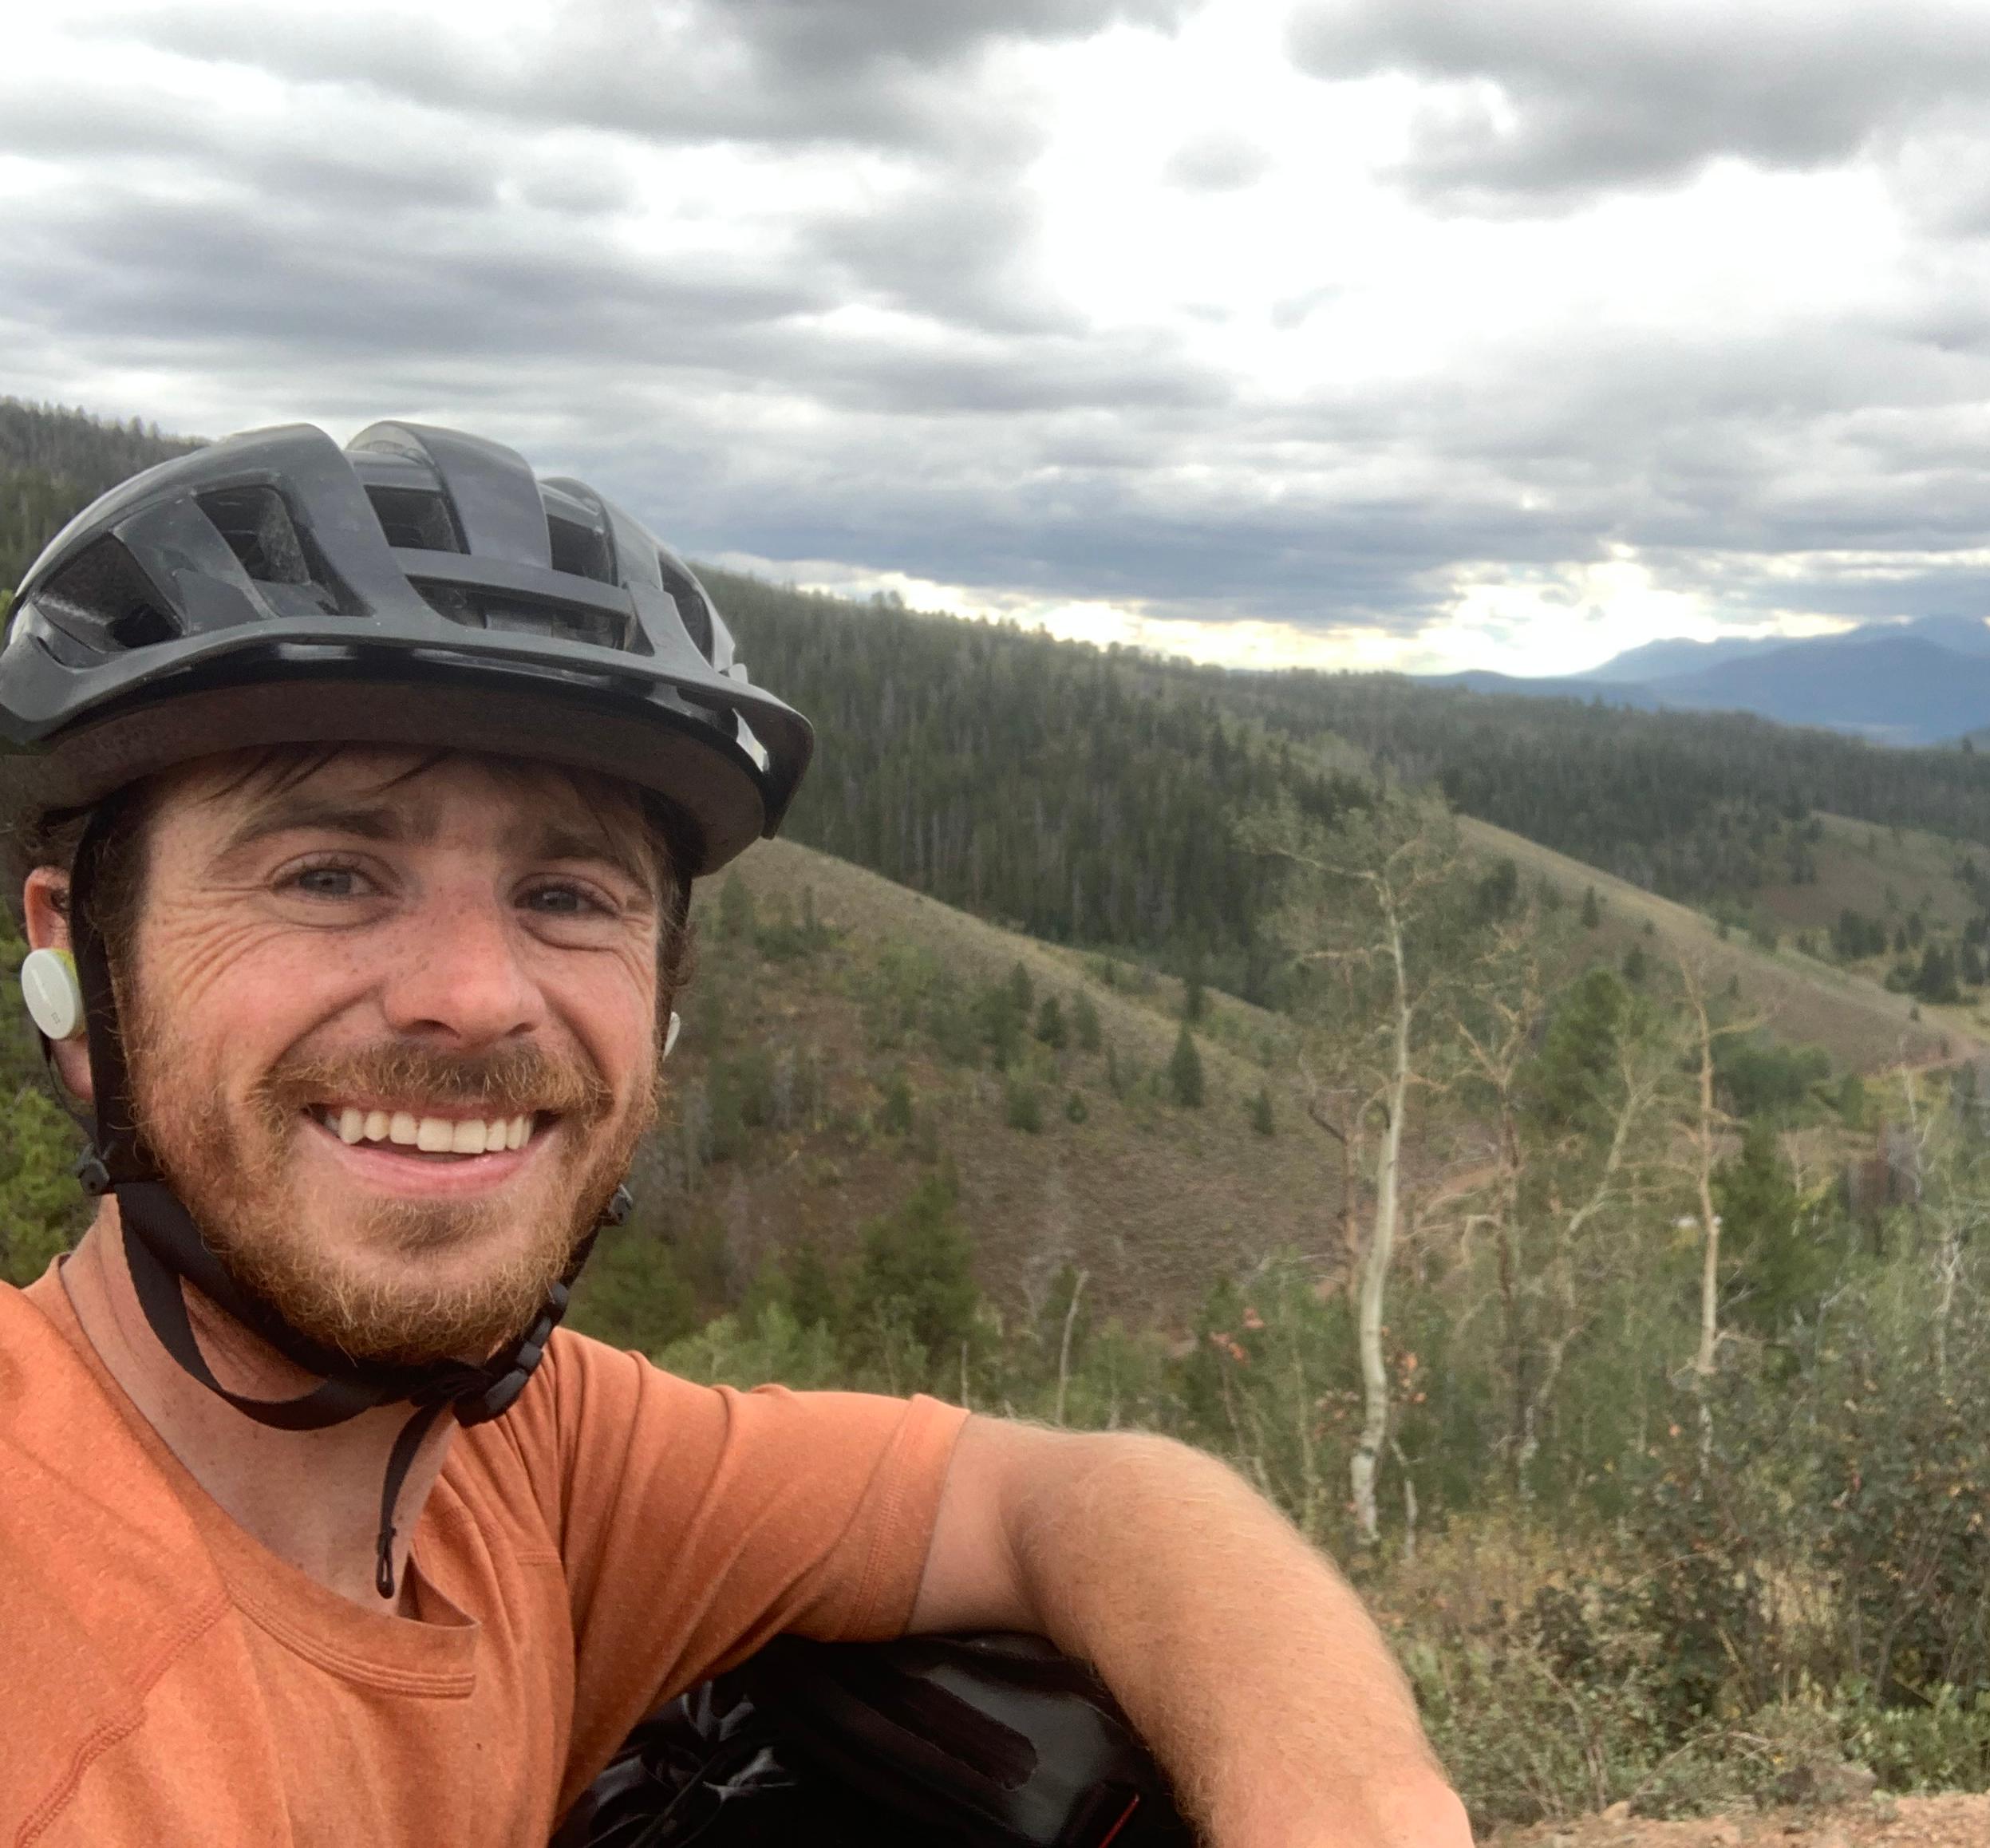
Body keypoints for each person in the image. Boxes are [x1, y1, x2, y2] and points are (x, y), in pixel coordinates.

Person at [0, 421, 1472, 1848]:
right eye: (326, 874)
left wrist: (1349, 1807)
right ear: (80, 971)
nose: (471, 997)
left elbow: (1070, 1495)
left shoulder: (525, 1459)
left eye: (570, 895)